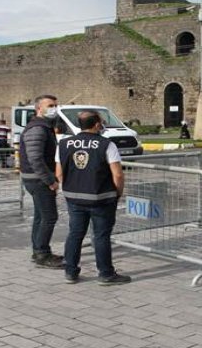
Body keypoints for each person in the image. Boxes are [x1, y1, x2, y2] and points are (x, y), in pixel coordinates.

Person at [56, 110, 131, 285]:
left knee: (75, 234)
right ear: (97, 124)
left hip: (74, 197)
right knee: (101, 236)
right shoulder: (107, 144)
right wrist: (118, 192)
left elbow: (59, 173)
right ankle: (105, 274)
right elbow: (118, 175)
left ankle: (70, 272)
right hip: (101, 198)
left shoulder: (64, 144)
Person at [19, 95, 64, 269]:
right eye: (50, 105)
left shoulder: (45, 126)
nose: (54, 108)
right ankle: (42, 254)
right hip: (38, 180)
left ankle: (38, 250)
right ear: (39, 108)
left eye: (55, 105)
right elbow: (35, 158)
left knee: (40, 216)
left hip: (36, 179)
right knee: (49, 216)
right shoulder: (37, 128)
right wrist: (50, 180)